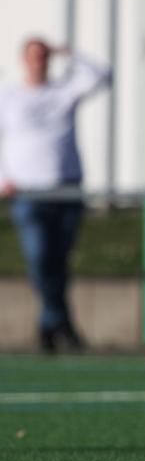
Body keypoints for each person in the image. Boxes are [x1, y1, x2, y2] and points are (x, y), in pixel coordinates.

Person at [0, 38, 110, 352]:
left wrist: (69, 52)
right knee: (39, 259)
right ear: (23, 60)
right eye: (34, 56)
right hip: (27, 191)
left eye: (44, 56)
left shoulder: (64, 90)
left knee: (59, 262)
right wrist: (3, 179)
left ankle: (50, 325)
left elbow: (102, 75)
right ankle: (61, 323)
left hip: (66, 189)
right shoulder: (9, 96)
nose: (39, 62)